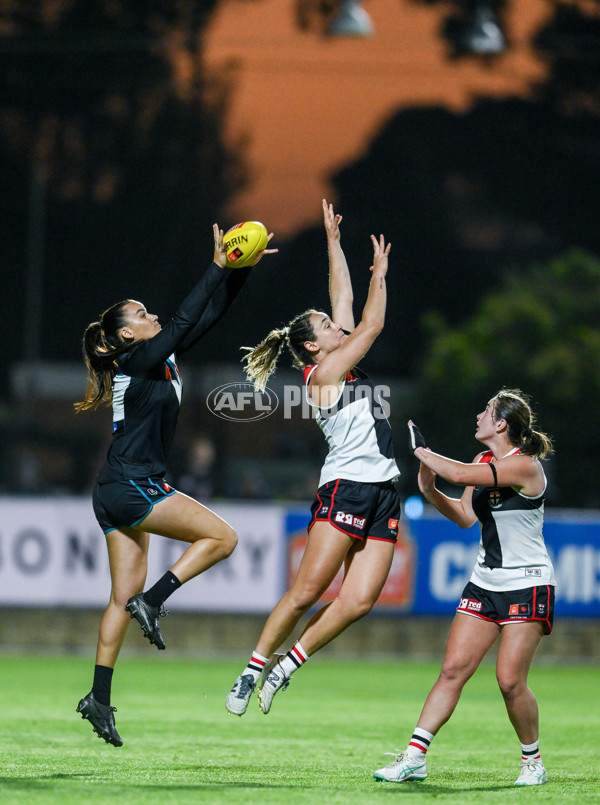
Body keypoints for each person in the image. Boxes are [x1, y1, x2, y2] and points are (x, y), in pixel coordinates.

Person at [74, 223, 276, 747]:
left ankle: (98, 696)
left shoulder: (153, 355)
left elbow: (208, 315)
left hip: (118, 486)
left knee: (120, 595)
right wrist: (216, 264)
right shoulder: (137, 359)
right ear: (125, 336)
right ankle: (157, 600)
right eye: (141, 315)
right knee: (223, 539)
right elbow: (187, 316)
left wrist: (239, 270)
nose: (152, 316)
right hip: (132, 484)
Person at [226, 199, 400, 717]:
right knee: (306, 592)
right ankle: (252, 668)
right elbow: (370, 326)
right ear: (311, 347)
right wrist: (382, 276)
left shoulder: (333, 358)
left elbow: (341, 297)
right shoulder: (323, 376)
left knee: (361, 600)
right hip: (346, 487)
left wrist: (332, 240)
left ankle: (286, 666)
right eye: (326, 325)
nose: (334, 325)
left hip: (384, 489)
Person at [374, 389, 555, 787]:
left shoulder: (525, 466)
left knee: (509, 680)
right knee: (453, 669)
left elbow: (456, 474)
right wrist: (428, 490)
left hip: (527, 583)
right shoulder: (483, 461)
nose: (479, 415)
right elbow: (463, 515)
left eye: (487, 411)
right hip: (485, 580)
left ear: (502, 424)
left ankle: (532, 762)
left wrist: (422, 452)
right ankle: (414, 757)